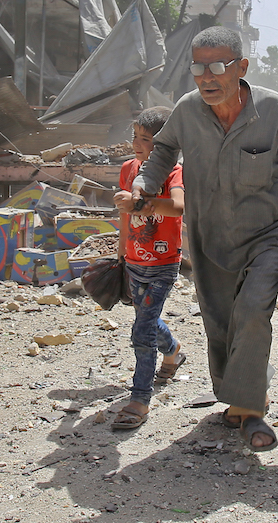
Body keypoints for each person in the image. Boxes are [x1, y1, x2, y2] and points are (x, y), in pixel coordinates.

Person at [132, 27, 278, 452]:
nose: (207, 77)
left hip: (272, 233)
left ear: (241, 67)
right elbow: (163, 151)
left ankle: (251, 409)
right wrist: (144, 184)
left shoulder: (277, 111)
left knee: (253, 309)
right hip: (211, 235)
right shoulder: (187, 111)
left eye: (218, 67)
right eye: (198, 68)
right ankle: (238, 395)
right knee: (219, 320)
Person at [111, 107, 186, 430]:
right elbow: (125, 218)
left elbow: (180, 207)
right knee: (148, 319)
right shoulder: (128, 169)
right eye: (135, 137)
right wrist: (120, 254)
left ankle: (139, 399)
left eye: (146, 139)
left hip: (163, 264)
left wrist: (142, 203)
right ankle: (173, 351)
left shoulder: (174, 173)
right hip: (134, 261)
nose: (137, 144)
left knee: (142, 330)